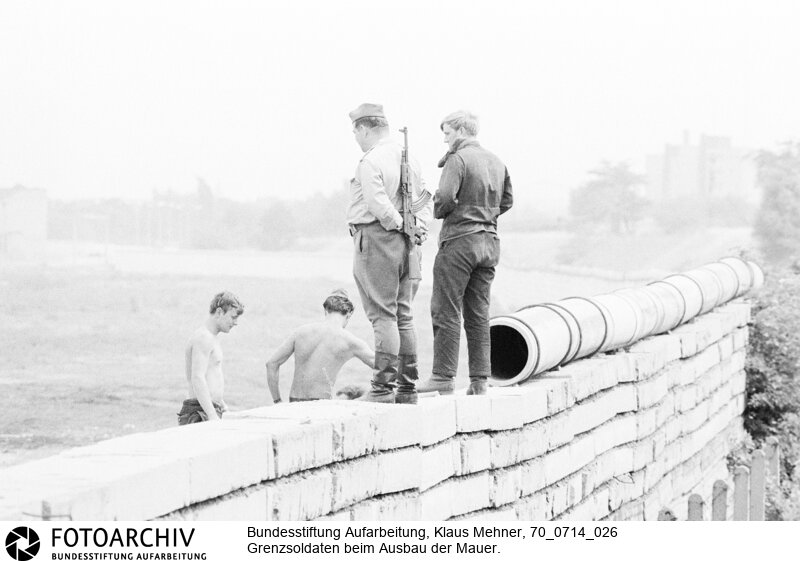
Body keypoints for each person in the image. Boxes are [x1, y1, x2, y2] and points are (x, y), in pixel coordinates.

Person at [417, 110, 513, 396]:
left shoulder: (458, 159)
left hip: (459, 242)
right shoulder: (496, 160)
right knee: (479, 313)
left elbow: (445, 198)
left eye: (446, 133)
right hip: (489, 243)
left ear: (459, 130)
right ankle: (479, 380)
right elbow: (507, 200)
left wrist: (443, 211)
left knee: (445, 309)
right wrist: (484, 216)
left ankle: (443, 377)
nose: (445, 139)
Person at [347, 102, 433, 404]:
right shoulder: (411, 159)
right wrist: (418, 226)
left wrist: (399, 224)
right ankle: (407, 388)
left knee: (383, 315)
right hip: (410, 244)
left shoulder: (371, 161)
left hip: (377, 239)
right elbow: (424, 198)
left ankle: (382, 388)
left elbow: (376, 202)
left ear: (364, 128)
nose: (356, 138)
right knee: (404, 314)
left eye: (356, 131)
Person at [266, 289, 374, 403]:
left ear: (326, 310)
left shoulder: (301, 332)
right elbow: (384, 367)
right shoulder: (350, 341)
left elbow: (271, 364)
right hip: (320, 404)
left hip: (295, 401)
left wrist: (277, 401)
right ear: (349, 314)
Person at [178, 291, 244, 424]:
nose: (235, 322)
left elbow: (211, 376)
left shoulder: (211, 338)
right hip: (200, 411)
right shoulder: (204, 338)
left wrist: (223, 407)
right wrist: (212, 416)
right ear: (219, 312)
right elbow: (197, 377)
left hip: (210, 409)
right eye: (233, 317)